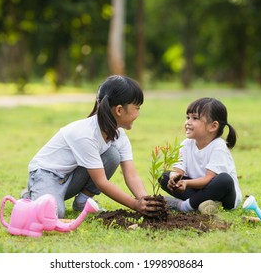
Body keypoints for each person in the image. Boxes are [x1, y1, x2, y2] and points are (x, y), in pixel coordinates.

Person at [22, 75, 163, 218]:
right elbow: (101, 182)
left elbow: (131, 175)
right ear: (119, 110)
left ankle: (83, 201)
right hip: (46, 175)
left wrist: (146, 201)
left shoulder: (119, 135)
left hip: (71, 177)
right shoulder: (85, 134)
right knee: (54, 214)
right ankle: (32, 195)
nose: (138, 113)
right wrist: (134, 205)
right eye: (137, 108)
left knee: (112, 155)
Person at [160, 97, 242, 214]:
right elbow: (177, 171)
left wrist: (187, 183)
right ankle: (205, 204)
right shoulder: (185, 145)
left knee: (225, 180)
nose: (188, 122)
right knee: (164, 176)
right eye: (187, 117)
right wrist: (174, 179)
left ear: (213, 126)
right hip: (198, 190)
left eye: (195, 118)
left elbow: (209, 178)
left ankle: (185, 206)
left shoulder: (218, 146)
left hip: (224, 197)